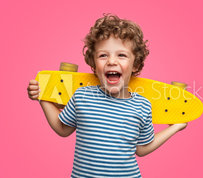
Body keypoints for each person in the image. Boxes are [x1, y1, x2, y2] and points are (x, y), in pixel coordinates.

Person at [27, 14, 187, 178]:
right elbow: (63, 129)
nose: (111, 61)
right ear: (94, 65)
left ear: (135, 64)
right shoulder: (82, 96)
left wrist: (175, 127)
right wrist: (42, 96)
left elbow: (142, 148)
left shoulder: (142, 105)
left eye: (121, 55)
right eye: (103, 55)